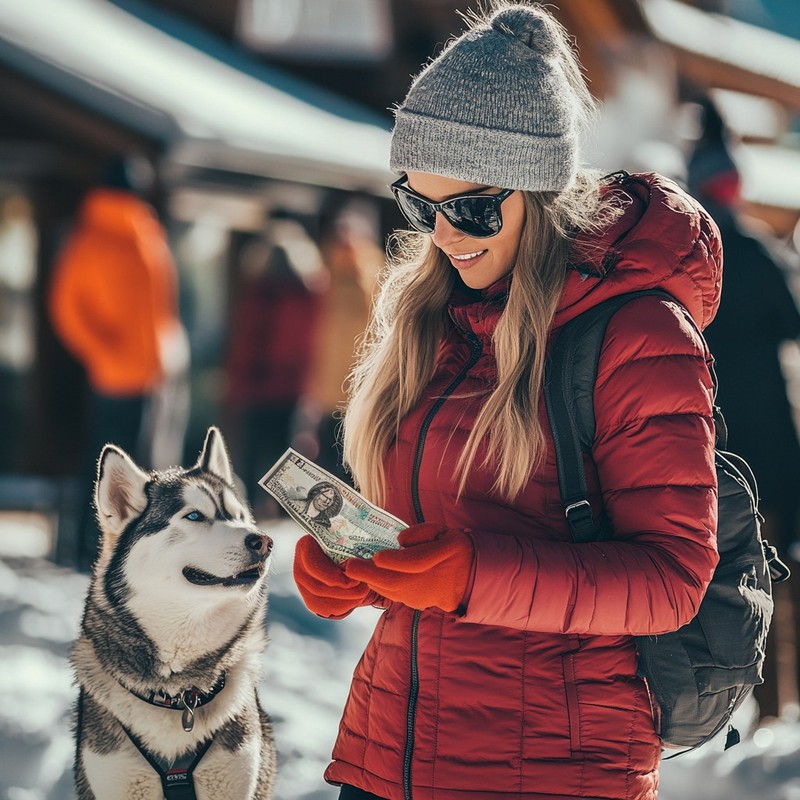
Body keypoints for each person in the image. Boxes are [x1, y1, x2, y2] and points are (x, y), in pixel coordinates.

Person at [293, 4, 721, 799]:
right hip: (390, 754)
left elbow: (672, 578)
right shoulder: (433, 319)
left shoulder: (634, 333)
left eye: (474, 208)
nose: (447, 235)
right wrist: (357, 568)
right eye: (421, 207)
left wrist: (469, 577)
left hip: (550, 767)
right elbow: (433, 530)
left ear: (542, 191)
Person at [687, 98, 800, 720]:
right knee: (775, 580)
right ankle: (775, 715)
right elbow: (793, 324)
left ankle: (722, 717)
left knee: (716, 585)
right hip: (769, 446)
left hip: (708, 446)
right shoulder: (754, 252)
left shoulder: (686, 260)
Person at [48, 155, 187, 570]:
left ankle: (116, 548)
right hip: (118, 373)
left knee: (129, 467)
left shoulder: (142, 233)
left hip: (147, 372)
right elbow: (67, 309)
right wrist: (103, 350)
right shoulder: (103, 237)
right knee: (108, 465)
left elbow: (158, 307)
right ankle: (86, 548)